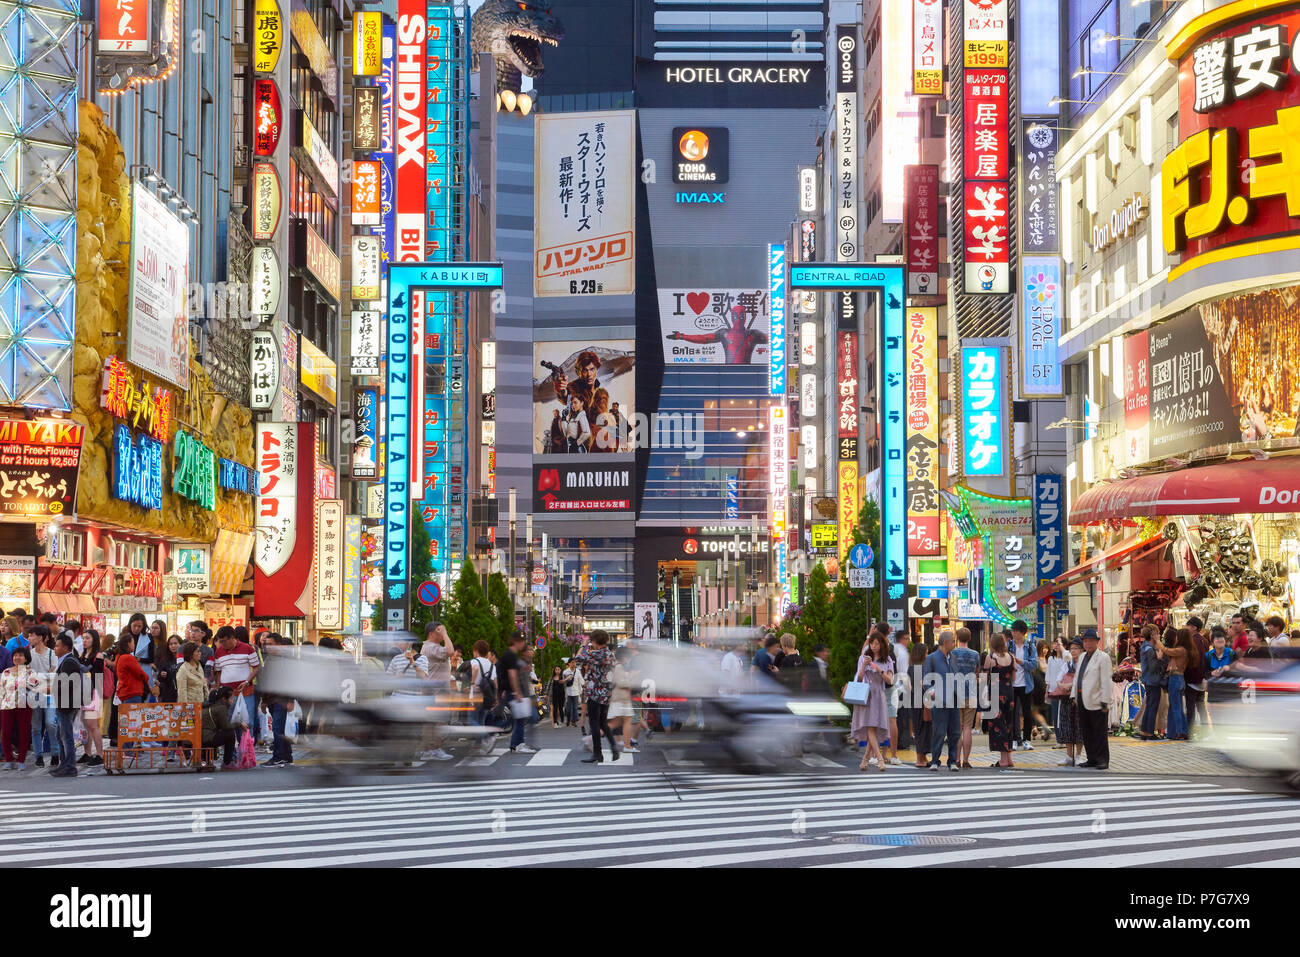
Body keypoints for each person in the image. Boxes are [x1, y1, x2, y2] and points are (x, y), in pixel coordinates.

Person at [850, 633, 894, 771]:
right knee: (870, 727)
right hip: (866, 695)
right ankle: (880, 759)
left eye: (876, 643)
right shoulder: (863, 657)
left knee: (873, 728)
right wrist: (864, 665)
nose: (874, 646)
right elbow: (859, 677)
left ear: (882, 644)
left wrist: (878, 669)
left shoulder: (887, 660)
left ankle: (865, 760)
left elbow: (890, 680)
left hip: (878, 695)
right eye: (871, 643)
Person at [575, 630, 620, 763]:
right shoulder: (610, 654)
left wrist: (583, 645)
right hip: (606, 693)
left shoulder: (596, 654)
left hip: (595, 693)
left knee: (594, 723)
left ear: (594, 641)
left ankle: (597, 753)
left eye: (592, 641)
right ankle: (613, 747)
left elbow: (578, 658)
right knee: (603, 722)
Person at [1073, 628, 1112, 769]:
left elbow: (1106, 681)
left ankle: (1102, 759)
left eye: (1091, 641)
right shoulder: (1082, 656)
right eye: (1086, 641)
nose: (1088, 643)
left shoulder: (1103, 657)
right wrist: (1073, 695)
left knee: (1099, 731)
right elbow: (1077, 677)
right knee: (1086, 730)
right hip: (1082, 697)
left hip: (1098, 699)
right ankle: (1091, 758)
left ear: (1097, 642)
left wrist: (1105, 700)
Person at [922, 630, 960, 771]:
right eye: (952, 641)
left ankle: (953, 761)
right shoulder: (932, 658)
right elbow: (926, 679)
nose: (954, 644)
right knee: (939, 731)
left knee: (955, 732)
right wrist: (933, 692)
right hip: (939, 700)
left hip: (954, 699)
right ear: (945, 643)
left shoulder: (953, 657)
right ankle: (935, 760)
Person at [212, 625, 259, 732]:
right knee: (228, 721)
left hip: (245, 691)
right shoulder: (219, 652)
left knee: (248, 722)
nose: (222, 644)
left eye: (224, 641)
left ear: (232, 638)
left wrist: (247, 681)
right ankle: (232, 747)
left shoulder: (248, 648)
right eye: (220, 641)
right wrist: (218, 685)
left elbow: (256, 668)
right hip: (227, 694)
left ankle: (247, 747)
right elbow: (218, 672)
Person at [983, 633, 1017, 770]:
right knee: (1008, 724)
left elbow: (984, 678)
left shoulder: (991, 658)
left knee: (998, 725)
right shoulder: (1012, 657)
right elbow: (1013, 678)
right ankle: (1009, 758)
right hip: (1009, 693)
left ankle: (1003, 759)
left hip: (996, 693)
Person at [0, 646, 38, 768]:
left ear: (26, 658)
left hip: (25, 705)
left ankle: (21, 760)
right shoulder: (6, 672)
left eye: (20, 655)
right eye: (15, 655)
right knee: (5, 732)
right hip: (7, 705)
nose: (17, 657)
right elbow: (1, 690)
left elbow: (35, 688)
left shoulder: (31, 672)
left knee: (24, 732)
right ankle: (8, 760)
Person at [27, 626, 57, 768]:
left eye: (32, 635)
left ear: (40, 637)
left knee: (51, 723)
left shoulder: (52, 654)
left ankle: (55, 753)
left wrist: (38, 677)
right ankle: (39, 756)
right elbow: (29, 677)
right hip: (34, 693)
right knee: (36, 727)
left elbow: (54, 676)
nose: (29, 638)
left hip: (49, 693)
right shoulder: (29, 654)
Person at [951, 627, 981, 769]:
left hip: (956, 694)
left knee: (958, 727)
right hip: (972, 693)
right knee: (968, 727)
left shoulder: (952, 653)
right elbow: (977, 672)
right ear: (969, 639)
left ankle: (956, 759)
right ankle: (966, 760)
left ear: (957, 638)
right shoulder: (975, 654)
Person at [1156, 626, 1192, 741]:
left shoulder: (1181, 649)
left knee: (1176, 707)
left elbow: (1166, 650)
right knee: (1175, 707)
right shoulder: (1184, 649)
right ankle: (1172, 732)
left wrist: (1157, 640)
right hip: (1179, 679)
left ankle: (1180, 731)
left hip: (1175, 678)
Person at [1052, 637, 1083, 766]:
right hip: (1066, 699)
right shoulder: (1068, 664)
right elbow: (1058, 678)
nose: (1073, 651)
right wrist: (1061, 685)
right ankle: (1069, 756)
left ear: (1082, 650)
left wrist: (1070, 684)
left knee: (1079, 727)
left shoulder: (1084, 663)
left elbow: (1084, 679)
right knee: (1066, 726)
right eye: (1071, 649)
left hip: (1080, 699)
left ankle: (1079, 755)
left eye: (1076, 648)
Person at [1009, 619, 1038, 750]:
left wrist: (1020, 662)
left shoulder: (1030, 646)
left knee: (1027, 713)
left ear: (1022, 633)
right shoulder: (1009, 645)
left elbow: (1034, 664)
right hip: (1012, 684)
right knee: (1012, 714)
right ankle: (1014, 740)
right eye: (1012, 631)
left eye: (1015, 631)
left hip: (1026, 685)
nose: (1013, 633)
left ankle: (1027, 740)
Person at [77, 631, 105, 767]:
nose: (84, 640)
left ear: (94, 640)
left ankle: (100, 754)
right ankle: (87, 753)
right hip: (83, 692)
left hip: (94, 692)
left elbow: (97, 676)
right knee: (85, 725)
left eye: (87, 638)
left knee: (92, 725)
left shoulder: (98, 656)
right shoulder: (82, 655)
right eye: (83, 638)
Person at [902, 642, 930, 767]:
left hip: (914, 701)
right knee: (924, 729)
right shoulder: (923, 669)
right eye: (927, 652)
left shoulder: (910, 669)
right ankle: (920, 758)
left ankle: (922, 757)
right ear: (923, 654)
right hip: (923, 701)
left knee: (919, 729)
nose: (928, 654)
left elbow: (909, 687)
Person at [201, 687, 244, 770]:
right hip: (206, 739)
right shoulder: (221, 708)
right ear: (224, 699)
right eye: (231, 698)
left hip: (199, 739)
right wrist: (239, 724)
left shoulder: (207, 706)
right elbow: (226, 727)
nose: (232, 701)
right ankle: (227, 763)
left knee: (216, 733)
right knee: (230, 734)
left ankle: (206, 760)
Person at [1137, 625, 1166, 740]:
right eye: (1158, 633)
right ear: (1153, 635)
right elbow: (1153, 667)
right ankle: (1149, 732)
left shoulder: (1145, 646)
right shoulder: (1150, 649)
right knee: (1152, 706)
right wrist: (1159, 659)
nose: (1159, 635)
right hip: (1153, 681)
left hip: (1148, 680)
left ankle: (1145, 731)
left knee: (1150, 706)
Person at [1184, 617, 1210, 733]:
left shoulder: (1192, 641)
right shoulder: (1204, 640)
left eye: (1188, 625)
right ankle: (1205, 730)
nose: (1186, 628)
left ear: (1194, 627)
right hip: (1201, 677)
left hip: (1192, 677)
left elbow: (1191, 659)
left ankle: (1189, 731)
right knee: (1201, 707)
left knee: (1191, 707)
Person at [151, 636, 180, 703]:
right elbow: (160, 678)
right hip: (169, 693)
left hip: (182, 692)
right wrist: (161, 675)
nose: (173, 646)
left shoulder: (185, 659)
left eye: (175, 643)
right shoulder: (165, 660)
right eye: (171, 644)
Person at [562, 656, 582, 727]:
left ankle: (573, 722)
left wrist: (581, 692)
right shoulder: (565, 672)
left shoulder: (578, 671)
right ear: (569, 663)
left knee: (575, 708)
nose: (574, 664)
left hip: (576, 692)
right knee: (568, 708)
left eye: (575, 662)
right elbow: (563, 683)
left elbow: (580, 681)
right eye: (572, 663)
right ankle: (568, 719)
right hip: (568, 693)